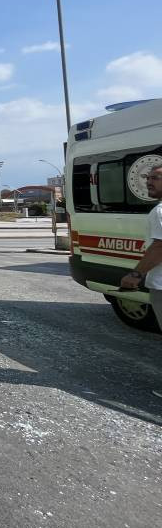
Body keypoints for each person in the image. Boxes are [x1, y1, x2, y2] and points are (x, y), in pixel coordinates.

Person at [119, 164, 162, 398]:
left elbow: (160, 247)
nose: (148, 181)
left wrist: (136, 274)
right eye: (148, 177)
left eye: (156, 177)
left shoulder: (160, 211)